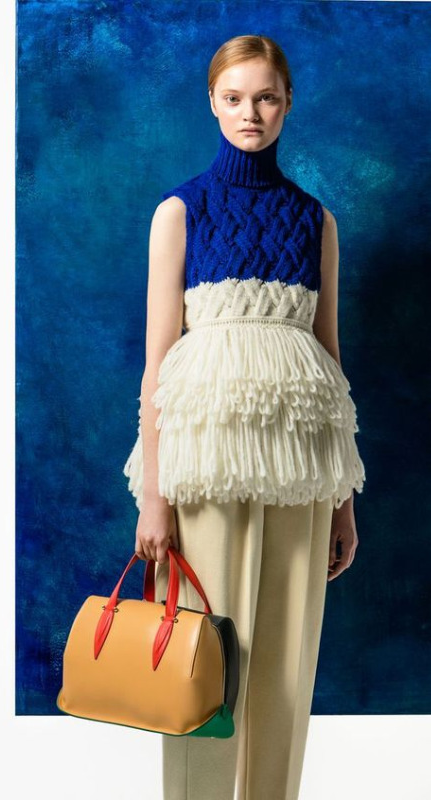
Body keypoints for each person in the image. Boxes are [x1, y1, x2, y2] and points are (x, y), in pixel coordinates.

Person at [123, 34, 365, 800]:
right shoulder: (180, 212)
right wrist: (154, 496)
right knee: (205, 661)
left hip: (300, 470)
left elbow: (329, 364)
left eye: (264, 97)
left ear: (287, 103)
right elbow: (157, 363)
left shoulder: (316, 221)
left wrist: (342, 499)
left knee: (285, 671)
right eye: (233, 98)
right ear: (212, 103)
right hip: (206, 465)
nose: (249, 113)